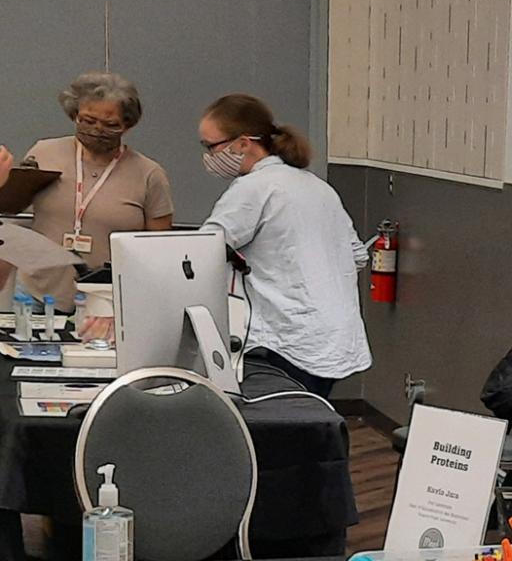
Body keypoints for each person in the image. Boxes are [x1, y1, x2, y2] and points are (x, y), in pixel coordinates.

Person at [198, 94, 371, 396]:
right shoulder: (317, 186)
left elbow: (202, 251)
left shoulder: (253, 188)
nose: (208, 156)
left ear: (242, 143)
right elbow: (357, 255)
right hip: (330, 335)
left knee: (281, 429)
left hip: (285, 341)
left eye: (210, 146)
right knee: (311, 420)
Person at [3, 72, 174, 309]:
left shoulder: (149, 174)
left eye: (110, 124)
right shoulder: (43, 153)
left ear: (127, 125)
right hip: (36, 294)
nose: (97, 130)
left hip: (108, 300)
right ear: (74, 114)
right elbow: (12, 206)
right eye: (88, 120)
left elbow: (159, 247)